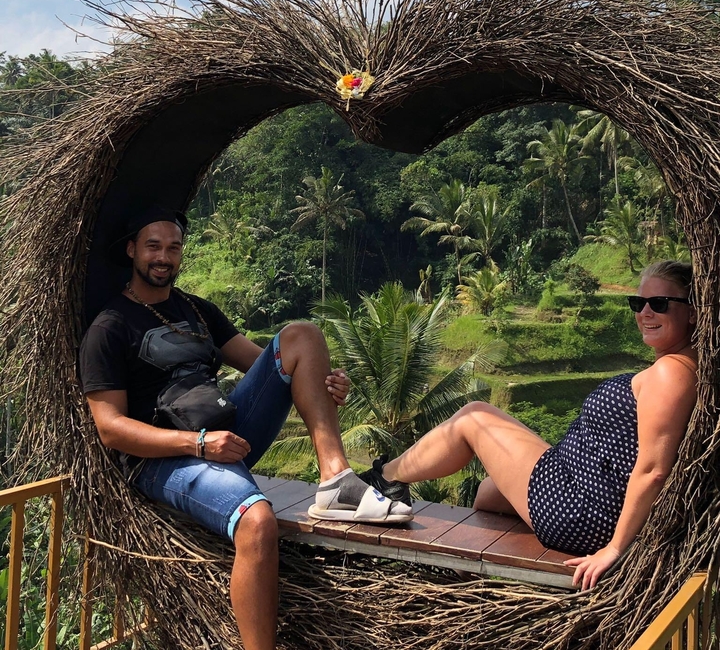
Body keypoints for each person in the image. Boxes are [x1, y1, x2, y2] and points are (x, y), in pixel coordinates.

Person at [79, 207, 411, 650]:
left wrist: (321, 379)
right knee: (258, 522)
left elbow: (273, 366)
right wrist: (197, 444)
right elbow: (111, 429)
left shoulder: (197, 309)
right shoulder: (110, 327)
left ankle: (336, 481)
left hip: (224, 431)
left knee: (303, 336)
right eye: (153, 246)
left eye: (173, 247)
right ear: (132, 250)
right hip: (162, 458)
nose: (163, 256)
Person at [361, 260, 697, 590]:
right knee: (488, 492)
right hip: (574, 481)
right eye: (638, 303)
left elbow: (653, 470)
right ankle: (472, 582)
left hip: (580, 507)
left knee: (474, 417)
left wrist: (614, 549)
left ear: (694, 311)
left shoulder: (670, 374)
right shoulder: (678, 366)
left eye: (660, 304)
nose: (645, 313)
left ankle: (383, 480)